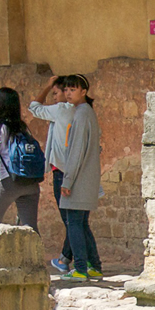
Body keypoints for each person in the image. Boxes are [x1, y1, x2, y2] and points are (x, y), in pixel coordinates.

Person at [56, 74, 103, 281]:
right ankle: (94, 265)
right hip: (86, 177)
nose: (68, 93)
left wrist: (67, 181)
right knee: (81, 223)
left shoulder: (82, 114)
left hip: (78, 179)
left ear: (84, 91)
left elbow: (76, 151)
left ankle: (81, 269)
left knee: (73, 222)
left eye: (72, 90)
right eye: (66, 90)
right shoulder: (86, 112)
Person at [30, 75, 76, 272]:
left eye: (56, 93)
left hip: (62, 172)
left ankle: (67, 259)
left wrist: (47, 86)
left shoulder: (62, 109)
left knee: (70, 220)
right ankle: (67, 257)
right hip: (73, 169)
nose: (55, 97)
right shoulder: (80, 111)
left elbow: (34, 107)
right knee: (73, 219)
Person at [0, 87, 42, 231]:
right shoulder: (23, 127)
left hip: (8, 181)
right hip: (30, 182)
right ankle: (34, 253)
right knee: (31, 229)